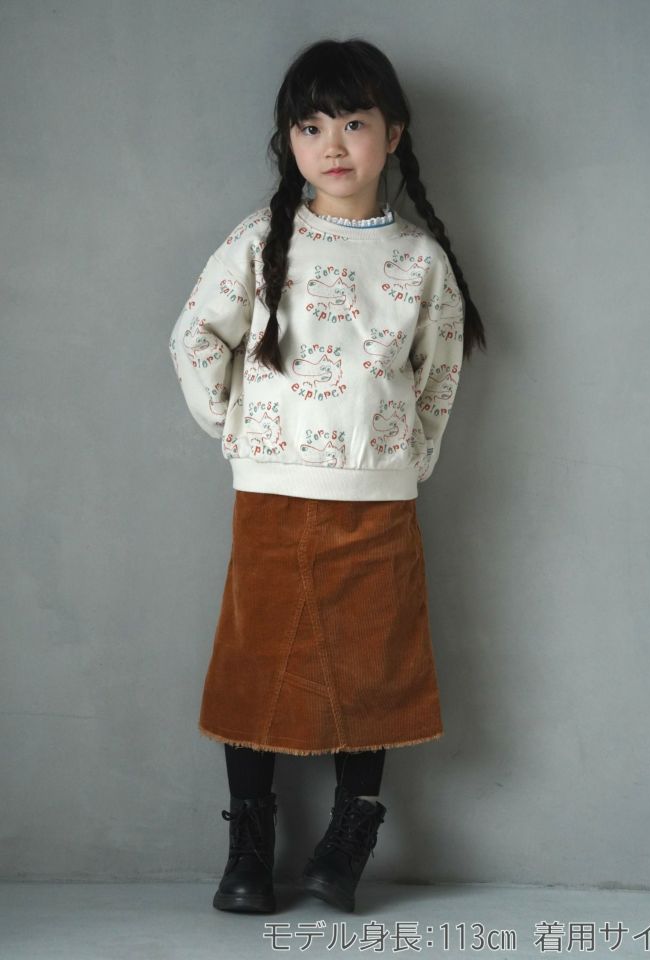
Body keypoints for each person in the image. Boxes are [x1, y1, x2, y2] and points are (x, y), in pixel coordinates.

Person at [168, 36, 486, 916]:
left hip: (376, 498)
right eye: (310, 127)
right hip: (271, 491)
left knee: (370, 663)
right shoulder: (262, 239)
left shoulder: (420, 261)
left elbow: (439, 376)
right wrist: (241, 432)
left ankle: (349, 838)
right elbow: (196, 336)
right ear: (289, 143)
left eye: (353, 123)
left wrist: (406, 461)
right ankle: (249, 845)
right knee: (255, 661)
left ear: (394, 133)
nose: (333, 145)